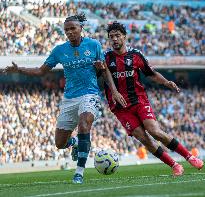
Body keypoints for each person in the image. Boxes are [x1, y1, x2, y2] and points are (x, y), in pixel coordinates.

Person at [3, 14, 126, 184]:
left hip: (89, 94)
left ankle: (79, 172)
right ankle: (74, 142)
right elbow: (41, 71)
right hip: (69, 98)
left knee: (84, 124)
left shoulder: (94, 45)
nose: (69, 32)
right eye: (66, 29)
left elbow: (104, 70)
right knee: (60, 143)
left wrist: (114, 91)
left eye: (72, 28)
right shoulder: (59, 50)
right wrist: (20, 70)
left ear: (80, 28)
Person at [103, 21, 204, 176]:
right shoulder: (106, 58)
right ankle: (174, 165)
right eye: (111, 37)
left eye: (117, 35)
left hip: (138, 100)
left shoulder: (135, 55)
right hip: (120, 108)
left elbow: (151, 74)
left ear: (124, 36)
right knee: (143, 138)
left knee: (154, 131)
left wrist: (165, 82)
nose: (114, 39)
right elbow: (97, 74)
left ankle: (189, 157)